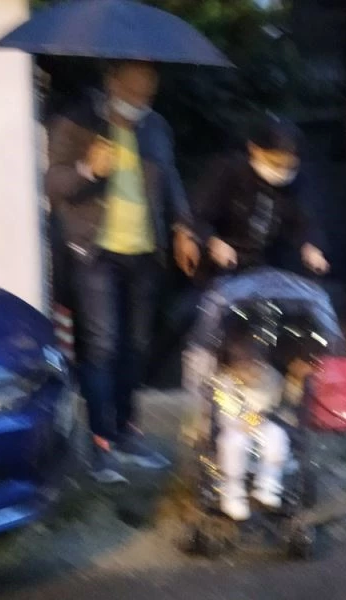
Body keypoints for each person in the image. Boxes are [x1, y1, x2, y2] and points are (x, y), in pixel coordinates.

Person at [46, 60, 201, 483]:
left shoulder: (156, 127)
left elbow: (170, 178)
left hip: (145, 253)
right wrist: (88, 169)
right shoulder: (75, 122)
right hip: (95, 252)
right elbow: (53, 184)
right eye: (133, 93)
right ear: (111, 83)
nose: (141, 102)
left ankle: (129, 432)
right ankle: (102, 444)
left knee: (136, 347)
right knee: (102, 347)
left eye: (148, 94)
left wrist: (183, 227)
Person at [191, 115, 330, 280]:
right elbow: (198, 215)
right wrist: (213, 242)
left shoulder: (297, 182)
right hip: (223, 266)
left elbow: (306, 220)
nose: (282, 171)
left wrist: (312, 248)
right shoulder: (228, 171)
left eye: (290, 166)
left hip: (270, 268)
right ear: (254, 149)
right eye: (275, 163)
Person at [211, 329, 289, 521]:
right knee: (233, 443)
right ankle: (233, 493)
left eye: (255, 362)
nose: (250, 369)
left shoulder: (271, 377)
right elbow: (226, 410)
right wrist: (244, 421)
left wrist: (257, 418)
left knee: (277, 435)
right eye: (242, 364)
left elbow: (271, 403)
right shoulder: (225, 382)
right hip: (234, 425)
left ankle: (268, 483)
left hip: (262, 422)